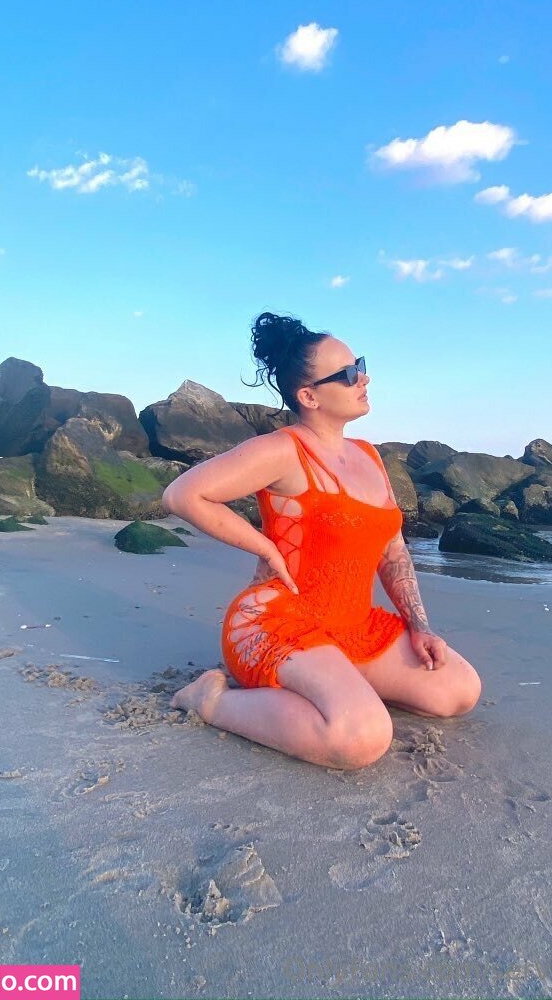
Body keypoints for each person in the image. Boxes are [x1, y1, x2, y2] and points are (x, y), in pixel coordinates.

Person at [162, 312, 482, 770]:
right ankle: (210, 700)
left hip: (353, 625)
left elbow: (393, 550)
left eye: (360, 366)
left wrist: (420, 626)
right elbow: (183, 494)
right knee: (361, 738)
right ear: (309, 396)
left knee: (458, 691)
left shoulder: (370, 456)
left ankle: (338, 683)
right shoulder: (283, 450)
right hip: (276, 622)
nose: (363, 378)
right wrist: (264, 546)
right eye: (348, 374)